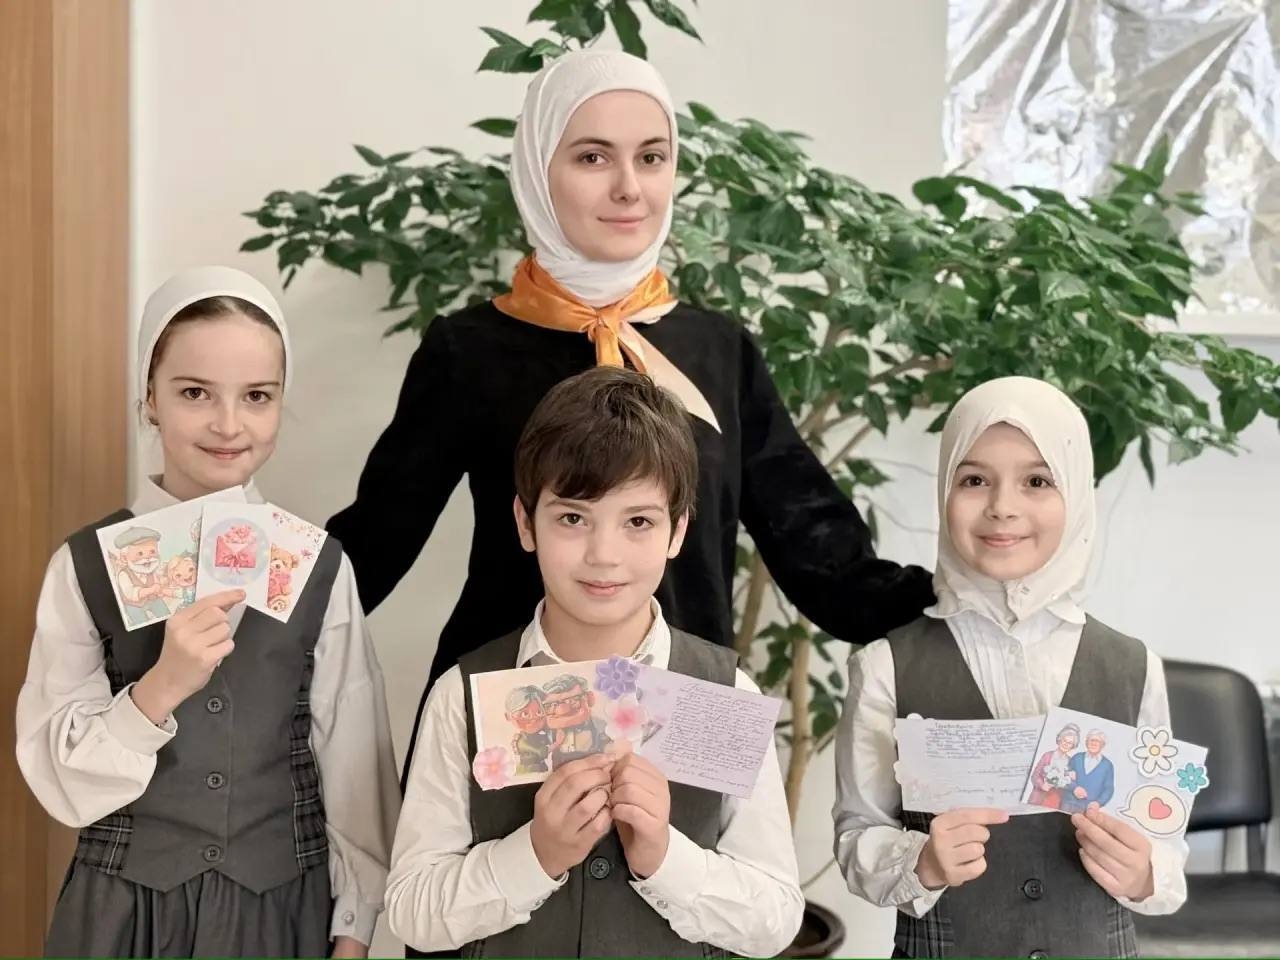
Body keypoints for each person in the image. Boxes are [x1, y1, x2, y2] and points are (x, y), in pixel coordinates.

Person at [326, 48, 933, 783]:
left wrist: (952, 607)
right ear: (538, 169)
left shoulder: (719, 348)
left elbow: (813, 540)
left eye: (652, 157)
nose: (628, 187)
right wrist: (244, 594)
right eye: (592, 157)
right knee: (502, 864)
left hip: (692, 708)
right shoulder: (469, 349)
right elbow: (377, 540)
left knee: (708, 863)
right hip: (516, 709)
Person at [16, 266, 400, 958]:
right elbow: (60, 781)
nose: (229, 424)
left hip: (281, 911)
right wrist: (159, 689)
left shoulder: (316, 565)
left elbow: (353, 765)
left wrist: (355, 930)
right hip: (121, 916)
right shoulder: (84, 566)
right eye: (195, 393)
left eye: (257, 396)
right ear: (149, 397)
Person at [385, 368, 802, 957]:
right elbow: (411, 912)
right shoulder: (464, 695)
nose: (604, 555)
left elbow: (774, 920)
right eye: (573, 518)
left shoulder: (720, 693)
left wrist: (664, 856)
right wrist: (536, 854)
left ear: (677, 531)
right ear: (526, 522)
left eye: (638, 522)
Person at [832, 377, 1188, 958]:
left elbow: (1165, 837)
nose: (1002, 506)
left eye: (1037, 481)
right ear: (944, 491)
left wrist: (1145, 872)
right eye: (974, 480)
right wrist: (920, 862)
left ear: (1077, 496)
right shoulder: (884, 667)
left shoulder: (1134, 666)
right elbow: (856, 835)